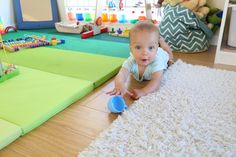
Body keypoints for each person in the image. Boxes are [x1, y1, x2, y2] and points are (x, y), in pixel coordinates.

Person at [107, 21, 173, 100]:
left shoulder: (157, 61)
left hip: (162, 55)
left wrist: (143, 91)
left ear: (156, 48)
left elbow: (156, 81)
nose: (145, 52)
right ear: (131, 49)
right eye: (138, 47)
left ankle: (162, 41)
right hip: (154, 51)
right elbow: (122, 74)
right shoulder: (131, 61)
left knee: (168, 54)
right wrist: (119, 84)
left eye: (151, 47)